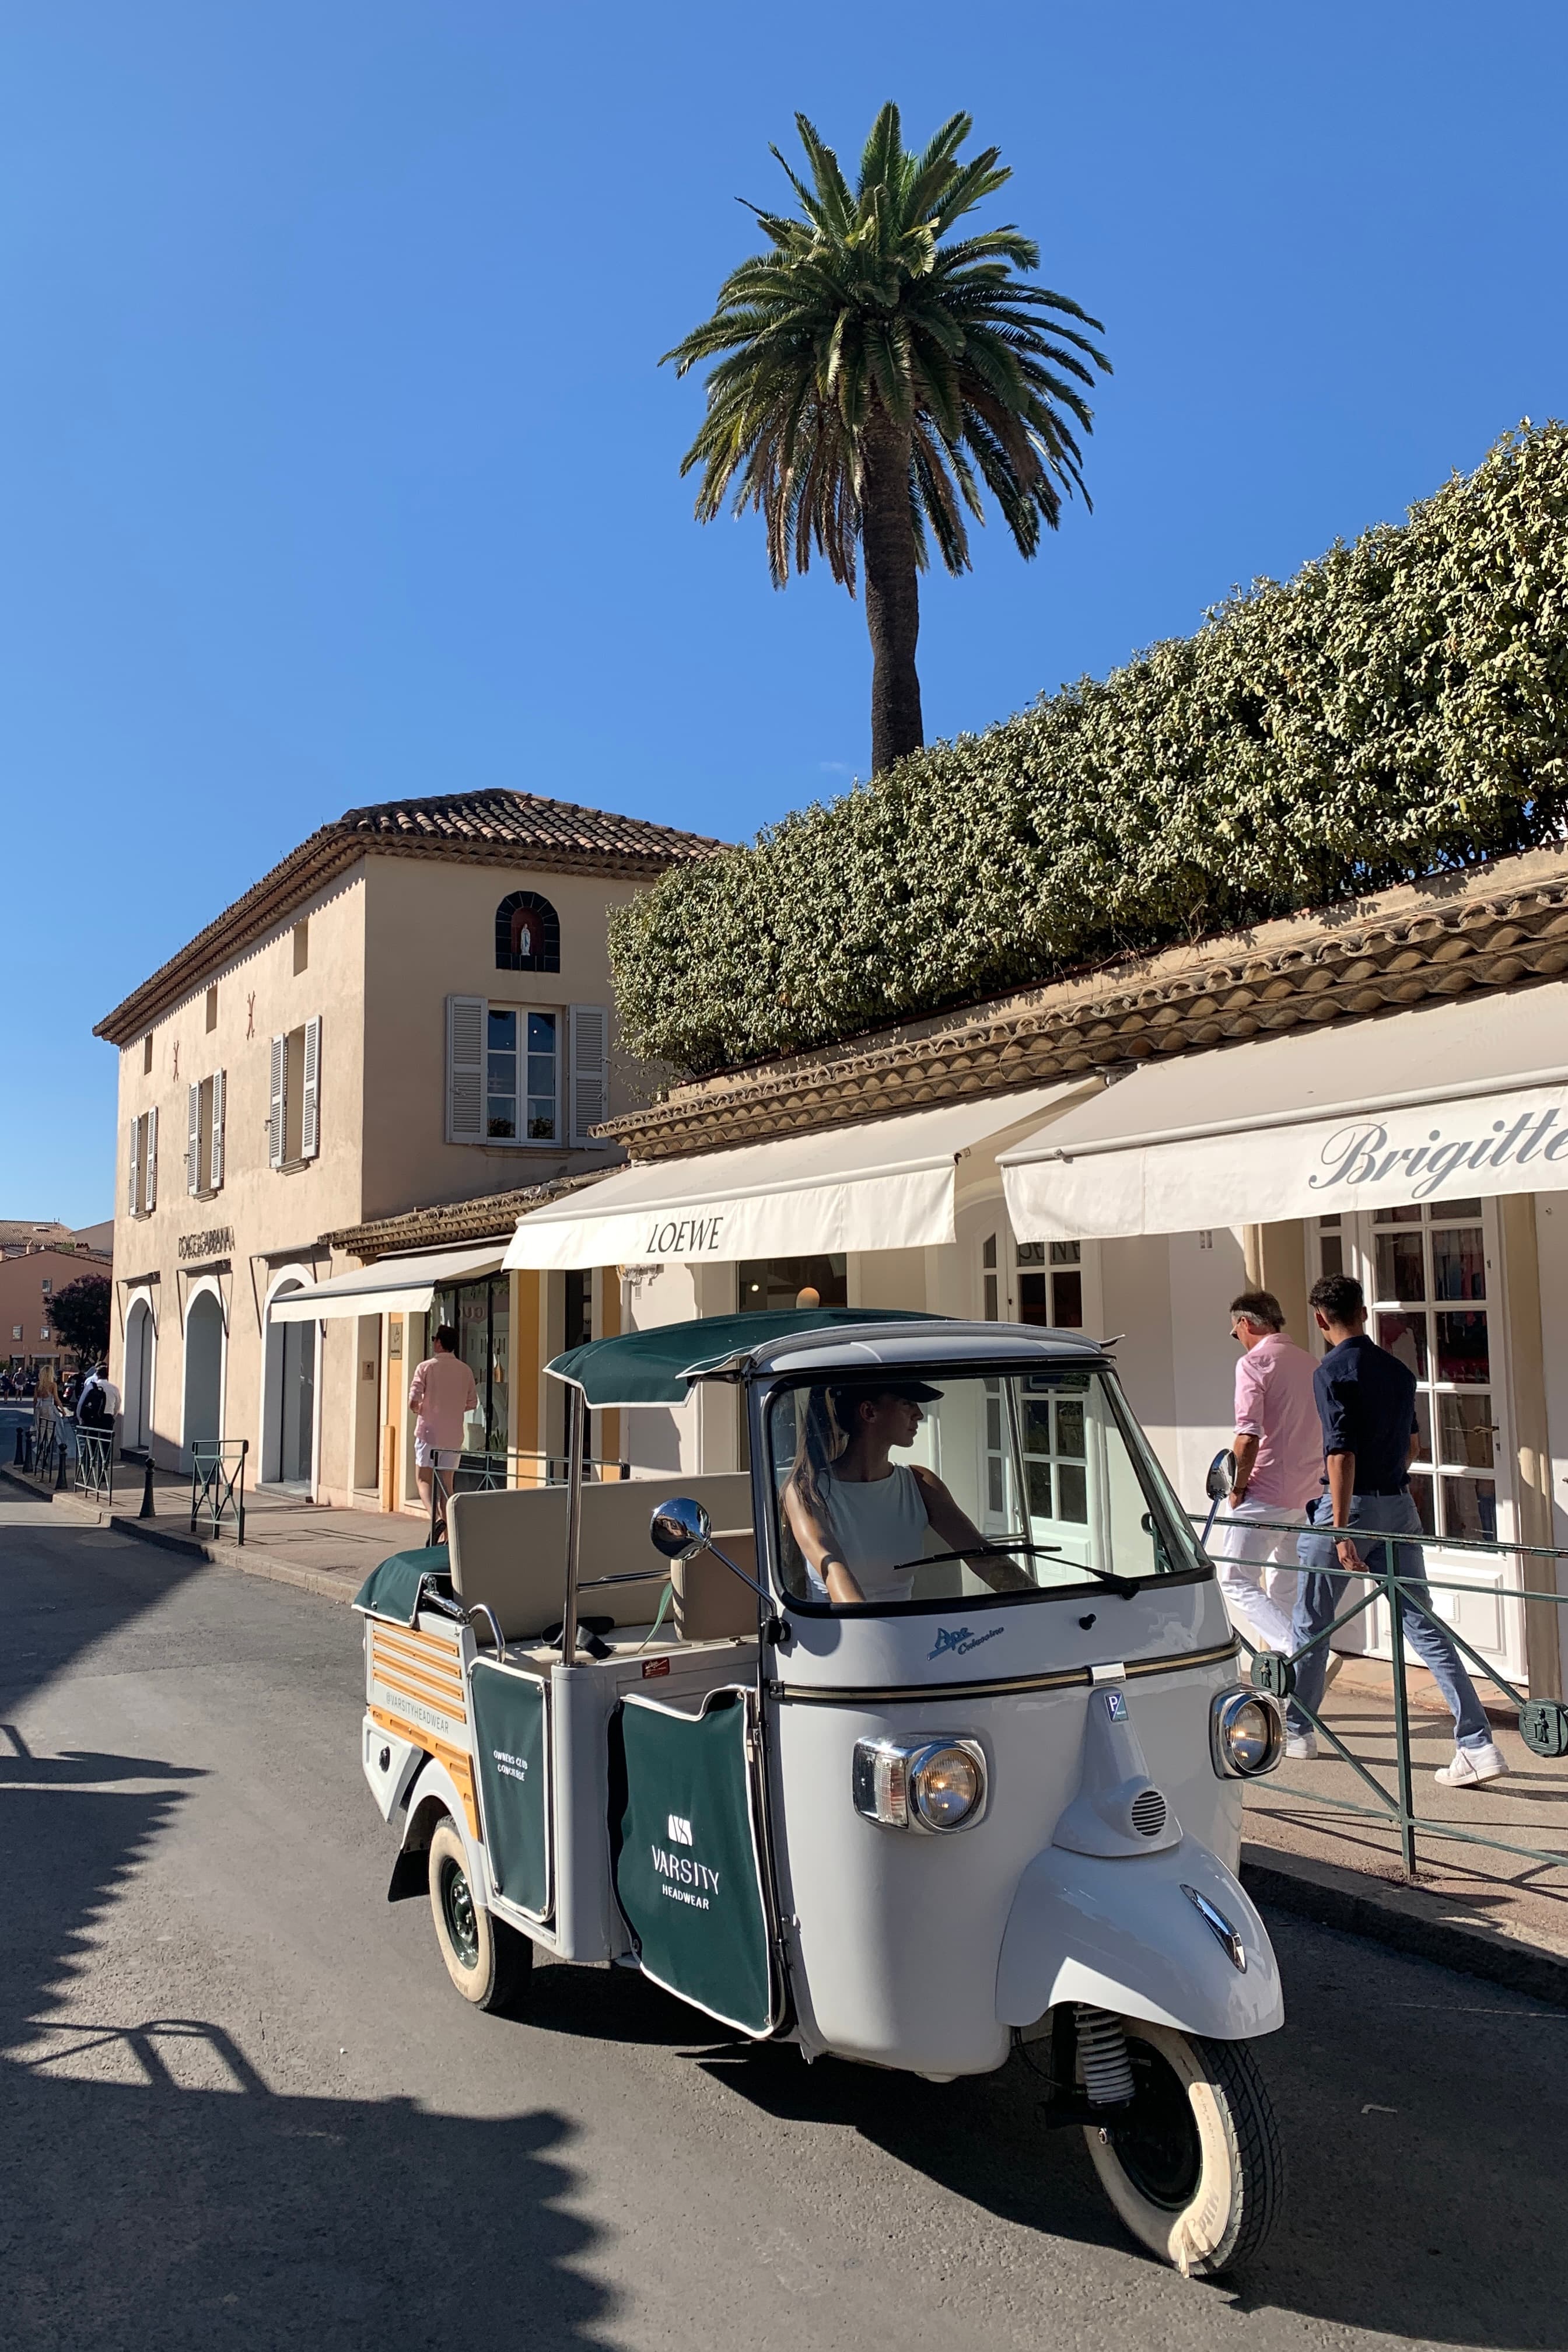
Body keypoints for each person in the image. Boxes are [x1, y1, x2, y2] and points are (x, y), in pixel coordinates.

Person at [1287, 1272, 1506, 1783]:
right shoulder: (1397, 1371)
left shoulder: (1331, 1371)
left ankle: (1298, 1729)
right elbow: (1413, 1446)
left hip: (1352, 1507)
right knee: (1423, 1625)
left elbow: (1340, 1453)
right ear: (1363, 1313)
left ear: (1321, 1320)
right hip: (1398, 1506)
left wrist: (1340, 1530)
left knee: (1313, 1621)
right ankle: (1477, 1742)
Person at [782, 1379, 1032, 1605]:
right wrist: (872, 1632)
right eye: (907, 1403)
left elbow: (983, 1556)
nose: (919, 1414)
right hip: (839, 1638)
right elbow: (833, 1566)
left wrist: (1045, 1603)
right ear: (869, 1412)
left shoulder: (921, 1483)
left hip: (906, 1638)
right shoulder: (806, 1490)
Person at [1213, 1289, 1322, 1656]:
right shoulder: (1311, 1363)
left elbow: (1247, 1437)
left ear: (1245, 1323)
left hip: (1266, 1490)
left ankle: (1298, 1654)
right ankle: (1294, 1684)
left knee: (1235, 1579)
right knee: (1285, 1584)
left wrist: (1237, 1487)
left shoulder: (1255, 1363)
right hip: (1309, 1493)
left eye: (1235, 1333)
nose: (1238, 1340)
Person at [408, 1325, 478, 1539]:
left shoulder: (426, 1367)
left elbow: (413, 1400)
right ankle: (448, 1535)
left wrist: (419, 1409)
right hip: (453, 1435)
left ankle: (435, 1520)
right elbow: (472, 1403)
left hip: (428, 1432)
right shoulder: (465, 1370)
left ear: (438, 1343)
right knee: (447, 1484)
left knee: (423, 1480)